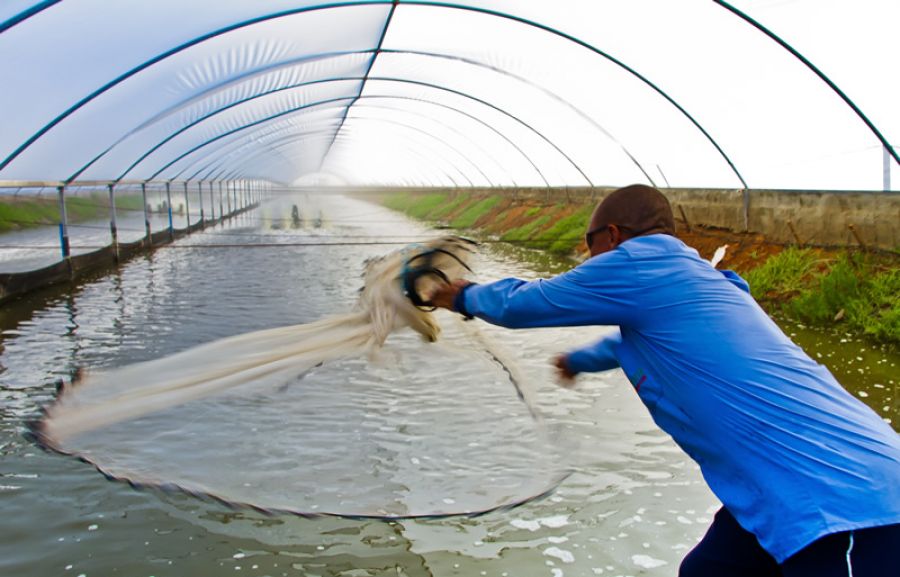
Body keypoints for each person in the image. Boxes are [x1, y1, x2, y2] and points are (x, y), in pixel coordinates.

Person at [428, 184, 900, 577]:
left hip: (842, 500)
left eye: (588, 245)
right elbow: (624, 346)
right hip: (772, 493)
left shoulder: (637, 262)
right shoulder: (692, 280)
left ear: (612, 236)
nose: (587, 260)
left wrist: (463, 296)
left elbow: (525, 303)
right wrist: (578, 361)